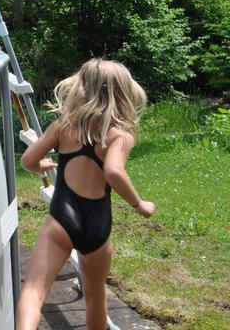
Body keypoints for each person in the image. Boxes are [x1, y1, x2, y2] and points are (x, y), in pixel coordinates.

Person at [16, 59, 155, 330]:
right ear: (123, 94)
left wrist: (40, 165)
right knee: (95, 295)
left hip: (61, 220)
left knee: (33, 293)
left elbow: (28, 160)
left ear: (81, 88)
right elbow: (113, 171)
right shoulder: (120, 135)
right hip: (97, 226)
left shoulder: (63, 126)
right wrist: (138, 203)